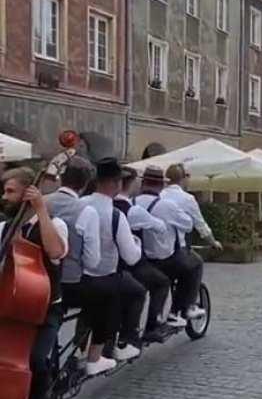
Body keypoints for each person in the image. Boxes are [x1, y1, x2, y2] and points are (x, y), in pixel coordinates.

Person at [0, 167, 68, 399]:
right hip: (8, 307)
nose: (4, 196)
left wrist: (41, 210)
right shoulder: (3, 228)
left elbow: (55, 252)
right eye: (4, 190)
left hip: (43, 309)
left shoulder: (55, 224)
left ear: (29, 192)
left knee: (38, 360)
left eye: (11, 191)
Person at [46, 156, 118, 376]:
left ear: (61, 180)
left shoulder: (42, 201)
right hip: (68, 284)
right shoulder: (86, 211)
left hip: (39, 279)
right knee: (107, 297)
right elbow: (92, 260)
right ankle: (93, 358)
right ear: (86, 183)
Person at [81, 158, 146, 359]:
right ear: (116, 184)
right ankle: (126, 341)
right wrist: (137, 242)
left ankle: (80, 343)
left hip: (75, 276)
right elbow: (132, 257)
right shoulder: (115, 214)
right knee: (137, 291)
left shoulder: (79, 204)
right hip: (103, 276)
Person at [136, 166, 206, 326]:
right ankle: (181, 309)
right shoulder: (168, 204)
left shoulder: (132, 202)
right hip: (164, 257)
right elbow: (190, 225)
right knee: (195, 264)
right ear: (161, 184)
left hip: (139, 258)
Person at [114, 168, 172, 335]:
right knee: (161, 282)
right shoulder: (134, 210)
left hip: (106, 264)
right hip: (129, 264)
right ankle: (151, 326)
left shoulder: (105, 205)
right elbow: (160, 227)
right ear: (131, 184)